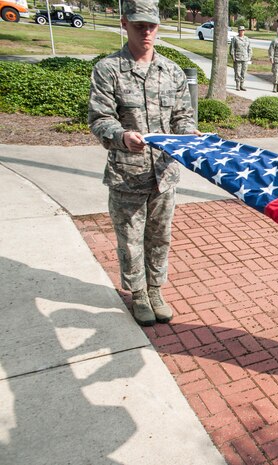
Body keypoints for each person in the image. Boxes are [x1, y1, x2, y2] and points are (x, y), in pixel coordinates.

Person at [88, 0, 199, 327]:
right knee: (130, 239)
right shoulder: (108, 70)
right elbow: (99, 119)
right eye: (139, 25)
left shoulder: (172, 71)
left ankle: (155, 290)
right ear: (124, 23)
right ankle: (138, 294)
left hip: (164, 175)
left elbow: (181, 116)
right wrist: (123, 136)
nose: (146, 32)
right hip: (128, 175)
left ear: (158, 25)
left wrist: (188, 132)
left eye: (151, 25)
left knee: (160, 236)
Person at [229, 25, 252, 91]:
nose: (242, 32)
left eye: (243, 30)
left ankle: (242, 85)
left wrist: (249, 57)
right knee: (237, 72)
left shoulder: (247, 39)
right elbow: (232, 49)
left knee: (244, 72)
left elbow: (249, 49)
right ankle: (237, 85)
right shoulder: (235, 38)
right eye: (240, 30)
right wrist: (233, 57)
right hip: (237, 58)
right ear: (238, 31)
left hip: (245, 58)